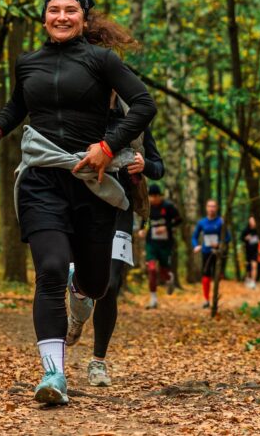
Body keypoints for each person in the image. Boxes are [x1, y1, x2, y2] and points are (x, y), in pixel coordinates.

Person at [0, 0, 156, 405]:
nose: (61, 17)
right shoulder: (27, 62)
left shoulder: (102, 61)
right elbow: (18, 104)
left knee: (95, 282)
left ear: (84, 18)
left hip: (90, 180)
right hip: (42, 178)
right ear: (44, 18)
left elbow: (144, 104)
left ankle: (82, 289)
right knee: (51, 269)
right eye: (53, 10)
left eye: (70, 10)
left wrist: (108, 146)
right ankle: (53, 376)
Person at [67, 110, 165, 387]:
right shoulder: (84, 110)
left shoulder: (136, 122)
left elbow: (158, 168)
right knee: (84, 279)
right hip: (83, 204)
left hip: (121, 209)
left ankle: (98, 362)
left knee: (111, 285)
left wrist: (143, 164)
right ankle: (78, 309)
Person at [139, 185, 181, 309]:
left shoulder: (168, 207)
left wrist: (166, 227)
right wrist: (142, 230)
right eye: (151, 196)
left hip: (166, 244)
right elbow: (144, 221)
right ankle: (153, 299)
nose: (153, 199)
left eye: (156, 196)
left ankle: (169, 278)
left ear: (160, 196)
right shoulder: (149, 207)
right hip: (151, 243)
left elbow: (179, 220)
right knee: (151, 269)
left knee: (164, 271)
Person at [191, 199, 228, 308]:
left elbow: (227, 237)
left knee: (217, 276)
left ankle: (215, 298)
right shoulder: (202, 222)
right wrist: (196, 246)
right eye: (209, 206)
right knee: (206, 276)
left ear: (217, 208)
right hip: (206, 252)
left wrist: (220, 243)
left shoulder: (221, 222)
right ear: (206, 208)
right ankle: (206, 300)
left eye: (214, 206)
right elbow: (194, 237)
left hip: (218, 253)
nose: (211, 209)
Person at [241, 216, 260, 289]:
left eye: (254, 220)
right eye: (251, 221)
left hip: (256, 252)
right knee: (248, 267)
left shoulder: (259, 230)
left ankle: (253, 281)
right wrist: (246, 238)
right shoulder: (246, 230)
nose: (252, 222)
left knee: (254, 266)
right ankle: (248, 280)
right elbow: (241, 238)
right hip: (248, 251)